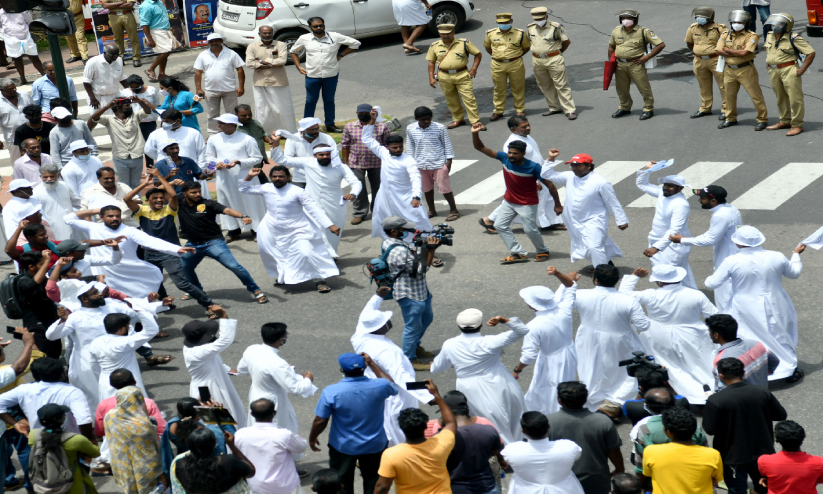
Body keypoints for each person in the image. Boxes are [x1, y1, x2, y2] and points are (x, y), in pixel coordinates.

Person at [705, 225, 804, 382]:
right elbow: (794, 273)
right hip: (776, 302)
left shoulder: (732, 261)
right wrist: (796, 255)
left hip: (744, 306)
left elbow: (712, 283)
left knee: (746, 336)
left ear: (738, 243)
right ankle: (788, 367)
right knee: (779, 335)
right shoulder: (776, 256)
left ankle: (748, 367)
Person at [619, 265, 717, 404]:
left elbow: (623, 293)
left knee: (669, 367)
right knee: (700, 365)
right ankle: (708, 391)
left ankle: (680, 393)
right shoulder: (696, 294)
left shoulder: (651, 294)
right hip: (692, 335)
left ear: (660, 282)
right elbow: (713, 315)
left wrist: (634, 276)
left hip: (659, 335)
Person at [125, 169, 218, 314]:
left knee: (182, 284)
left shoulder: (169, 210)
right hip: (149, 254)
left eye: (161, 198)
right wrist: (145, 185)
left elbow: (173, 194)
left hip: (170, 253)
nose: (159, 200)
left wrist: (159, 177)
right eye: (155, 198)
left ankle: (209, 305)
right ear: (147, 201)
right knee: (155, 282)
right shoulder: (142, 211)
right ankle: (165, 302)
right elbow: (127, 199)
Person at [351, 288, 434, 445]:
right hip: (397, 395)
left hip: (375, 389)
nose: (388, 322)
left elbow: (366, 313)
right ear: (378, 328)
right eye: (384, 322)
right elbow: (401, 377)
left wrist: (378, 296)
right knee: (399, 428)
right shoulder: (387, 351)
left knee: (383, 422)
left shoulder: (360, 336)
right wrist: (427, 395)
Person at [431, 310, 528, 444]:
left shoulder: (450, 344)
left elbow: (437, 368)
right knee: (514, 417)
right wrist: (502, 320)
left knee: (489, 424)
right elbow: (522, 330)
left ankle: (503, 453)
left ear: (459, 326)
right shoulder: (490, 341)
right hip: (500, 382)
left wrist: (433, 364)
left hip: (471, 389)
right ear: (481, 325)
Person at [239, 166, 340, 292]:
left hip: (298, 229)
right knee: (277, 254)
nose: (277, 179)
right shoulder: (266, 188)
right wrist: (250, 176)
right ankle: (283, 276)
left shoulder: (297, 191)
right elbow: (244, 188)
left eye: (281, 176)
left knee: (306, 252)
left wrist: (329, 225)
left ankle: (319, 279)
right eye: (274, 176)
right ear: (271, 178)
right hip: (273, 229)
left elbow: (313, 209)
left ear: (288, 177)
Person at [309, 353, 398, 494]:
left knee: (340, 482)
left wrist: (313, 438)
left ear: (341, 370)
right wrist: (373, 364)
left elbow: (320, 420)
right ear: (364, 367)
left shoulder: (332, 392)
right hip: (374, 445)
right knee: (373, 481)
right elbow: (391, 385)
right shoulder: (381, 386)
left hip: (343, 447)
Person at [472, 124, 557, 263]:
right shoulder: (504, 157)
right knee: (499, 225)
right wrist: (475, 134)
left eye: (515, 153)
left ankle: (543, 251)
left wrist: (558, 205)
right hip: (509, 201)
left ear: (523, 154)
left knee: (530, 230)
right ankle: (519, 252)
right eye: (510, 152)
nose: (511, 155)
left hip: (527, 203)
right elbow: (480, 147)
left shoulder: (533, 167)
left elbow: (550, 185)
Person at [64, 205, 193, 298]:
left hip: (128, 270)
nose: (115, 218)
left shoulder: (129, 231)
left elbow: (151, 241)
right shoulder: (92, 226)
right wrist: (96, 209)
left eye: (117, 216)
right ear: (101, 217)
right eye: (110, 216)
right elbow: (68, 219)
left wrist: (177, 249)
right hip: (104, 273)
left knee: (138, 293)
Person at [573, 264, 650, 417]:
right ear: (617, 280)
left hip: (588, 338)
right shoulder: (628, 300)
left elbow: (557, 300)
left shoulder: (579, 295)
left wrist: (570, 283)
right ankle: (616, 402)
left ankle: (593, 400)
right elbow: (643, 325)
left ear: (595, 280)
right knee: (622, 372)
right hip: (620, 340)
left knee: (591, 367)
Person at [45, 280, 135, 411]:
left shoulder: (110, 307)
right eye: (95, 293)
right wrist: (63, 320)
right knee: (93, 399)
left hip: (113, 358)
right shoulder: (75, 317)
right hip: (86, 365)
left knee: (120, 392)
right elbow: (51, 335)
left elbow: (133, 316)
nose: (99, 294)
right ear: (84, 299)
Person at [703, 358, 787, 494]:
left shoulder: (716, 400)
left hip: (732, 456)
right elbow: (781, 415)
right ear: (743, 373)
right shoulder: (762, 392)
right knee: (764, 486)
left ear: (721, 376)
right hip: (762, 452)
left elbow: (710, 429)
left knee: (737, 489)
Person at [270, 130, 360, 257]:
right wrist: (276, 142)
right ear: (315, 156)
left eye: (327, 154)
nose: (324, 157)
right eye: (321, 155)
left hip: (335, 205)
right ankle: (321, 256)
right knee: (316, 230)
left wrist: (353, 193)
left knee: (333, 233)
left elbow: (356, 183)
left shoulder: (341, 167)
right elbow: (282, 159)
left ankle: (330, 255)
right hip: (312, 205)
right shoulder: (307, 162)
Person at [176, 181, 267, 303]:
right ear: (184, 194)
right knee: (184, 267)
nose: (198, 194)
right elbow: (166, 192)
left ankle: (255, 289)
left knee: (233, 266)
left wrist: (242, 216)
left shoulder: (208, 203)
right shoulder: (180, 202)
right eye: (193, 192)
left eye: (199, 191)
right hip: (192, 245)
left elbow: (227, 210)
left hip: (213, 243)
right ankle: (196, 290)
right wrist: (166, 178)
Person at [481, 115, 564, 234]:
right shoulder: (512, 143)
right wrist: (533, 182)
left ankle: (551, 222)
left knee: (547, 198)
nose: (528, 128)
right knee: (515, 203)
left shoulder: (527, 137)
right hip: (527, 178)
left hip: (538, 173)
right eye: (524, 127)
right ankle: (490, 220)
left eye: (528, 125)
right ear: (513, 129)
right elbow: (514, 164)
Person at [542, 152, 628, 266]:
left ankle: (602, 273)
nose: (574, 168)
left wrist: (621, 220)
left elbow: (612, 202)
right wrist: (551, 159)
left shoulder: (600, 182)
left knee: (594, 246)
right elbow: (546, 174)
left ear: (588, 166)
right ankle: (605, 265)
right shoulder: (569, 177)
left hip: (594, 220)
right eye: (572, 165)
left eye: (578, 165)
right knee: (583, 246)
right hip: (573, 221)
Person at [513, 267, 578, 416]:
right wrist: (558, 274)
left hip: (550, 360)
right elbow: (570, 286)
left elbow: (529, 356)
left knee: (548, 389)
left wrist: (517, 370)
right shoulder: (564, 309)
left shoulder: (533, 326)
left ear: (531, 305)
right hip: (569, 353)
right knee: (564, 385)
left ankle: (552, 416)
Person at [361, 109, 434, 239]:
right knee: (387, 223)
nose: (398, 149)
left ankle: (428, 248)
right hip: (386, 197)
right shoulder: (383, 153)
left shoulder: (408, 160)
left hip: (405, 198)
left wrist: (416, 196)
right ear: (387, 147)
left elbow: (416, 178)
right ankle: (393, 248)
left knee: (416, 221)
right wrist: (372, 121)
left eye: (400, 146)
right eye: (395, 147)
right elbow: (366, 138)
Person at [373, 380, 455, 494]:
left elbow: (382, 487)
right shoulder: (441, 443)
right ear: (426, 426)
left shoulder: (391, 455)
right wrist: (436, 395)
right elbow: (451, 422)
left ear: (402, 428)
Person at [380, 216, 440, 367]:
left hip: (420, 290)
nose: (408, 231)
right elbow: (421, 270)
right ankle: (409, 359)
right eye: (404, 229)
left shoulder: (392, 241)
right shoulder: (398, 251)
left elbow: (413, 258)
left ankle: (415, 346)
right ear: (394, 231)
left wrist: (424, 246)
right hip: (409, 293)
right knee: (412, 326)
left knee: (427, 318)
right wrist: (431, 251)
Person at [669, 185, 741, 311]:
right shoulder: (730, 209)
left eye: (702, 198)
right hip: (733, 254)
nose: (699, 201)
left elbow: (710, 239)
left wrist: (682, 240)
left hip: (726, 258)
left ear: (713, 201)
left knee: (725, 301)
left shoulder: (721, 215)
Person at [236, 322, 317, 432]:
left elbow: (242, 369)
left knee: (256, 428)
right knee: (275, 431)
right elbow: (295, 389)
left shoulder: (252, 349)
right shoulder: (278, 363)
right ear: (281, 339)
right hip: (273, 402)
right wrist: (308, 379)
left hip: (255, 396)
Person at [547, 382, 624, 494]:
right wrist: (619, 469)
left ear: (559, 400)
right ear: (585, 398)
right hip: (596, 480)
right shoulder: (603, 421)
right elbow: (614, 451)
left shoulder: (548, 422)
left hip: (561, 480)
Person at [0, 358, 95, 443]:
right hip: (68, 441)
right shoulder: (73, 392)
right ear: (62, 375)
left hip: (38, 441)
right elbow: (84, 420)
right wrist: (90, 440)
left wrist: (15, 423)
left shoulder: (24, 390)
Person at [290, 17, 360, 133]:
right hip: (312, 75)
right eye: (315, 26)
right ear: (310, 27)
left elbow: (355, 43)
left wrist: (341, 55)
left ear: (324, 25)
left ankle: (330, 124)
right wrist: (299, 67)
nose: (319, 28)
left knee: (329, 100)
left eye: (321, 25)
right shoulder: (304, 38)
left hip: (331, 74)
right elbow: (293, 51)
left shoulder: (335, 36)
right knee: (310, 101)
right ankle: (307, 126)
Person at [181, 308, 247, 429]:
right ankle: (228, 445)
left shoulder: (195, 348)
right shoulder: (197, 352)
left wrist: (224, 368)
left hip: (216, 381)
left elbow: (210, 359)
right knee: (222, 422)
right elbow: (226, 340)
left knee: (233, 414)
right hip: (209, 391)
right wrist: (223, 314)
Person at [94, 369, 167, 475]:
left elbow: (99, 431)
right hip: (146, 451)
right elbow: (161, 429)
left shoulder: (104, 405)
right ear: (134, 381)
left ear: (112, 384)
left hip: (119, 452)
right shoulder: (148, 403)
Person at [206, 113, 265, 241]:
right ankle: (233, 229)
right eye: (219, 122)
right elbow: (209, 157)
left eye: (222, 123)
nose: (219, 125)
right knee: (226, 200)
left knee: (250, 201)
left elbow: (257, 158)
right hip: (224, 177)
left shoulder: (247, 139)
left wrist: (239, 162)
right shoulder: (213, 139)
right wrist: (216, 164)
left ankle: (255, 229)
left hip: (244, 176)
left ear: (232, 125)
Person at [636, 166, 695, 287]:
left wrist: (657, 248)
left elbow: (674, 230)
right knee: (677, 276)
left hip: (673, 246)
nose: (666, 188)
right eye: (665, 185)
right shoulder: (662, 193)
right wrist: (647, 169)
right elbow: (642, 184)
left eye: (671, 186)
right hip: (657, 241)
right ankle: (692, 299)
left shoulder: (680, 204)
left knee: (669, 278)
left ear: (680, 188)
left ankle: (680, 301)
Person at [234, 399, 308, 494]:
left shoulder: (241, 434)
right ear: (274, 413)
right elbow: (301, 447)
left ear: (252, 414)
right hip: (285, 486)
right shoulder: (283, 435)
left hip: (256, 486)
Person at [641, 407, 722, 494]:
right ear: (694, 429)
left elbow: (647, 473)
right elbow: (716, 479)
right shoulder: (713, 455)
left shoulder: (651, 451)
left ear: (668, 432)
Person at [502, 411, 585, 494]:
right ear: (549, 427)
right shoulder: (568, 446)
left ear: (523, 431)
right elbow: (578, 455)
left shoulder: (512, 450)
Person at [104, 387, 167, 494]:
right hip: (144, 472)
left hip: (123, 465)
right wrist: (162, 476)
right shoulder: (143, 424)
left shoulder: (109, 416)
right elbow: (153, 455)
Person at [89, 309, 160, 403]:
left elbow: (94, 367)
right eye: (128, 327)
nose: (129, 329)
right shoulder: (124, 343)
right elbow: (152, 330)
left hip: (106, 384)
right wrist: (141, 310)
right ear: (122, 329)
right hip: (128, 385)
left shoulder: (95, 342)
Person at [29, 403, 100, 494]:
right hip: (72, 484)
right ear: (62, 419)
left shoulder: (33, 435)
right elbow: (96, 452)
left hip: (45, 485)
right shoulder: (76, 440)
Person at [763, 14, 815, 136]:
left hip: (789, 69)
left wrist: (802, 69)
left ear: (786, 26)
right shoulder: (770, 36)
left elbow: (810, 53)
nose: (774, 26)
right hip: (774, 70)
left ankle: (797, 124)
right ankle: (784, 121)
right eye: (773, 23)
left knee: (795, 98)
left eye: (779, 24)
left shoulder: (794, 37)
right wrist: (770, 61)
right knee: (780, 97)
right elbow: (769, 50)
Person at [716, 10, 769, 130]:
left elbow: (745, 52)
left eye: (739, 22)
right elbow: (718, 50)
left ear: (745, 23)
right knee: (729, 96)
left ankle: (762, 119)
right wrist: (737, 53)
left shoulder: (752, 35)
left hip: (746, 70)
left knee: (756, 95)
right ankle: (730, 118)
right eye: (734, 21)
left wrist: (728, 50)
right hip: (729, 70)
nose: (736, 24)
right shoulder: (725, 34)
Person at [88, 96, 156, 189]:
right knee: (123, 185)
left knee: (136, 184)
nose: (130, 107)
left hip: (136, 156)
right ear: (118, 108)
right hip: (120, 158)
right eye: (127, 105)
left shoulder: (135, 116)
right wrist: (107, 107)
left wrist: (140, 101)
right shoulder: (109, 119)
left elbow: (147, 111)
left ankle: (137, 202)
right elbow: (94, 118)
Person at [608, 9, 665, 120]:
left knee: (643, 87)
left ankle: (648, 108)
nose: (626, 21)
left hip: (636, 64)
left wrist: (647, 57)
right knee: (621, 88)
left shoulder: (644, 31)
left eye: (628, 18)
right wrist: (611, 62)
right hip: (620, 64)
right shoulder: (616, 31)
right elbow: (611, 47)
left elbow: (660, 45)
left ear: (635, 20)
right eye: (623, 18)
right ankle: (624, 107)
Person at [426, 24, 485, 130]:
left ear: (453, 32)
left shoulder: (464, 43)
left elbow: (478, 54)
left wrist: (474, 69)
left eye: (448, 33)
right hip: (444, 75)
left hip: (462, 74)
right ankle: (458, 119)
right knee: (451, 99)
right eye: (443, 34)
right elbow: (431, 62)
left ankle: (475, 121)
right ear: (439, 34)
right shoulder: (434, 46)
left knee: (469, 99)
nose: (446, 36)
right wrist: (431, 77)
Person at [160, 397, 234, 479]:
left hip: (185, 466)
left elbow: (186, 419)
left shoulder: (171, 426)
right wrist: (219, 413)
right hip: (207, 469)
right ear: (198, 413)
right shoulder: (207, 432)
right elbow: (231, 434)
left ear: (178, 410)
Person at [406, 106, 459, 221]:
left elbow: (447, 144)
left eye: (428, 119)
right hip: (421, 164)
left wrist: (448, 162)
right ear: (416, 119)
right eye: (423, 120)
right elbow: (410, 146)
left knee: (444, 187)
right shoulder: (411, 129)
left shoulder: (440, 128)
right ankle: (432, 210)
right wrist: (410, 163)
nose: (426, 122)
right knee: (426, 189)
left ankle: (454, 209)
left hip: (439, 163)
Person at [341, 104, 389, 224]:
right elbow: (345, 145)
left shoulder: (381, 127)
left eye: (366, 113)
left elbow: (387, 145)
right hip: (356, 163)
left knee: (378, 188)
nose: (363, 115)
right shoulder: (349, 126)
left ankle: (377, 211)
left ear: (372, 113)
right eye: (360, 113)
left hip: (377, 163)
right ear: (357, 113)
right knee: (358, 189)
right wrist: (345, 163)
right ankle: (359, 213)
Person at [170, 427, 255, 494]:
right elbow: (251, 471)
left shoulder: (179, 463)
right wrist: (232, 446)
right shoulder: (228, 462)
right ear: (214, 443)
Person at [528, 7, 577, 120]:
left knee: (561, 85)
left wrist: (557, 53)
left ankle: (570, 110)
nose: (539, 20)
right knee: (545, 85)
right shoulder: (531, 28)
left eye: (541, 18)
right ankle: (554, 107)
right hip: (537, 60)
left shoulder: (556, 27)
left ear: (546, 17)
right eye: (536, 19)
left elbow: (566, 42)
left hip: (554, 59)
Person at [707, 313, 779, 390]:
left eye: (710, 332)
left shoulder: (721, 360)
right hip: (763, 394)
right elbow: (774, 361)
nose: (709, 334)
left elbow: (723, 389)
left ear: (716, 335)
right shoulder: (756, 344)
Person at [246, 25, 297, 133]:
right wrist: (270, 63)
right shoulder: (252, 46)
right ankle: (265, 133)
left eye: (269, 33)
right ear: (259, 34)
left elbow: (282, 60)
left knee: (283, 108)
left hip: (278, 81)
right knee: (263, 109)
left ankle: (288, 132)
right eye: (264, 33)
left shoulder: (280, 45)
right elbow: (249, 63)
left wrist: (260, 62)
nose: (267, 35)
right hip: (260, 82)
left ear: (273, 34)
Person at [194, 33, 245, 135]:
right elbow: (198, 72)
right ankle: (213, 134)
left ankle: (233, 133)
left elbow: (240, 69)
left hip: (229, 90)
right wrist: (198, 89)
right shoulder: (203, 55)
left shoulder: (231, 53)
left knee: (231, 114)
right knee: (212, 114)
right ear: (208, 43)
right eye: (212, 41)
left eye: (217, 41)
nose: (214, 43)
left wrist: (241, 86)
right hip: (211, 90)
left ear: (221, 41)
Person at [484, 13, 530, 121]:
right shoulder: (490, 34)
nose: (503, 24)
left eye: (506, 22)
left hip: (515, 63)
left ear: (511, 21)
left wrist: (515, 56)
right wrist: (498, 57)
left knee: (518, 87)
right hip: (497, 64)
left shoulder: (520, 33)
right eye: (501, 23)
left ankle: (520, 110)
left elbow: (526, 47)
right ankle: (498, 111)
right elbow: (487, 47)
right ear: (497, 23)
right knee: (499, 89)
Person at [758, 420, 823, 494]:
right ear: (802, 439)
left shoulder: (764, 461)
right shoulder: (819, 463)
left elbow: (767, 474)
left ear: (777, 440)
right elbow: (819, 480)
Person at [686, 7, 728, 119]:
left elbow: (727, 43)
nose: (699, 19)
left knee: (724, 85)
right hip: (699, 61)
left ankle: (726, 109)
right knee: (703, 85)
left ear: (710, 18)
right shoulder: (693, 28)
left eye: (703, 17)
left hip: (716, 60)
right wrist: (699, 53)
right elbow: (690, 43)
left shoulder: (720, 28)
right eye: (698, 17)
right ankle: (705, 108)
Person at [621, 368, 692, 425]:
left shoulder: (629, 406)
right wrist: (666, 383)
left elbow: (636, 403)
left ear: (641, 388)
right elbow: (677, 397)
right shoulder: (682, 402)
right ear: (663, 384)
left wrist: (641, 392)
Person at [283, 116, 337, 189]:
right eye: (313, 130)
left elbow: (335, 156)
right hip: (301, 178)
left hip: (323, 177)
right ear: (304, 130)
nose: (317, 131)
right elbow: (287, 159)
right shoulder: (292, 139)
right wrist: (306, 162)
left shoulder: (326, 138)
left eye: (318, 128)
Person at [82, 44, 128, 111]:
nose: (115, 56)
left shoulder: (119, 60)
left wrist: (130, 91)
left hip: (115, 96)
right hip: (98, 98)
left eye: (117, 54)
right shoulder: (93, 62)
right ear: (105, 53)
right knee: (97, 119)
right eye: (112, 54)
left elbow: (122, 77)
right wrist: (92, 98)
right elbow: (86, 82)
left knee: (117, 119)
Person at [139, 0, 176, 81]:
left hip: (164, 30)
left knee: (165, 52)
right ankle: (150, 69)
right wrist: (150, 39)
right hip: (155, 31)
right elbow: (144, 24)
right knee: (165, 52)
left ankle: (162, 74)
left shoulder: (159, 2)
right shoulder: (146, 6)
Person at [0, 79, 33, 165]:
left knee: (34, 157)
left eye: (14, 87)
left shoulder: (24, 95)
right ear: (2, 90)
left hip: (30, 133)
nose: (14, 90)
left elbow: (34, 110)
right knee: (17, 161)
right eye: (10, 89)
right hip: (12, 136)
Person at [103, 0, 141, 68]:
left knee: (134, 38)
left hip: (127, 15)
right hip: (114, 16)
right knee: (118, 39)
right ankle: (120, 58)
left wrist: (113, 5)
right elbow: (105, 5)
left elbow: (130, 5)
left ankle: (136, 58)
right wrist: (121, 2)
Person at [64, 0, 88, 65]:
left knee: (80, 37)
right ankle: (75, 55)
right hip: (66, 17)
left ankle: (85, 57)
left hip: (78, 16)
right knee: (69, 37)